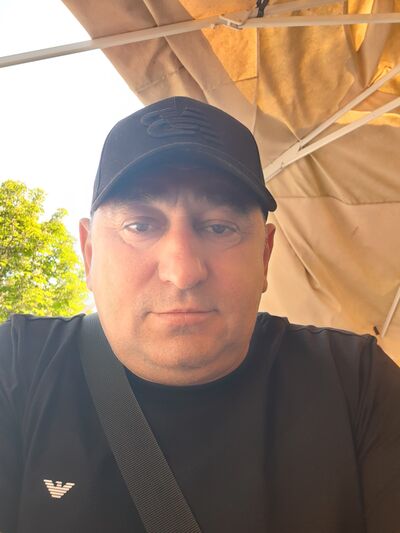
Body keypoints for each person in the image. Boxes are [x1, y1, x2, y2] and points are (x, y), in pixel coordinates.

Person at [0, 96, 399, 533]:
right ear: (89, 252)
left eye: (219, 227)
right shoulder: (18, 366)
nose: (183, 272)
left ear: (265, 256)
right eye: (140, 225)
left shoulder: (355, 382)